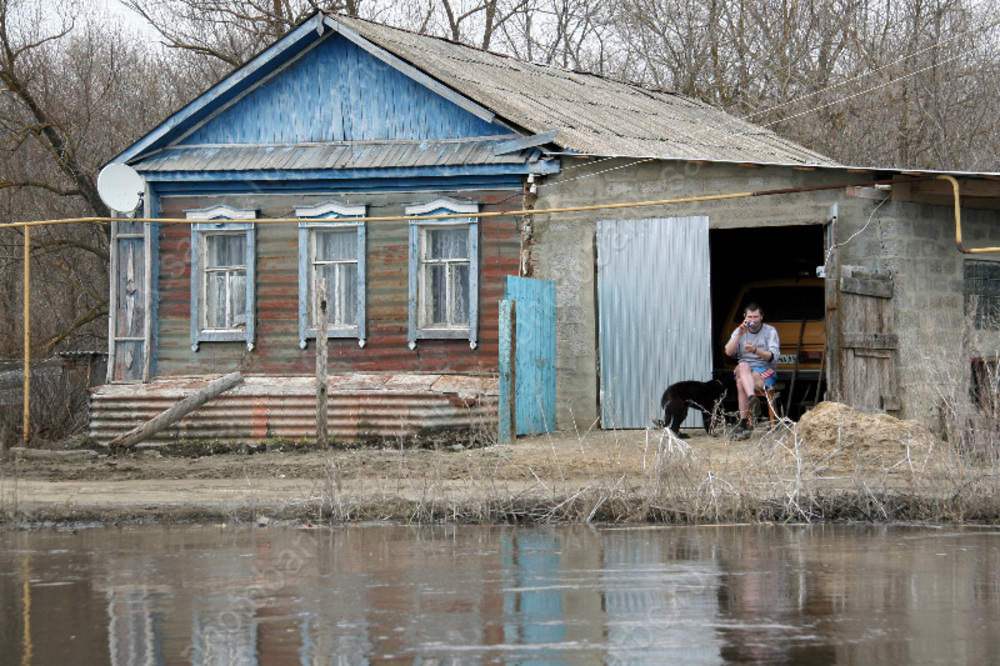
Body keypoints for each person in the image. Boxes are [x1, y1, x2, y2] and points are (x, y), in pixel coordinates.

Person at [723, 302, 780, 439]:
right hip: (745, 368)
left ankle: (743, 424)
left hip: (764, 368)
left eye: (755, 317)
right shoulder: (739, 331)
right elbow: (728, 352)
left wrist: (755, 350)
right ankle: (752, 398)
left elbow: (773, 357)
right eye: (750, 317)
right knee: (743, 366)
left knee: (740, 383)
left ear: (761, 317)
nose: (752, 320)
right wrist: (739, 335)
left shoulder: (770, 331)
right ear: (744, 317)